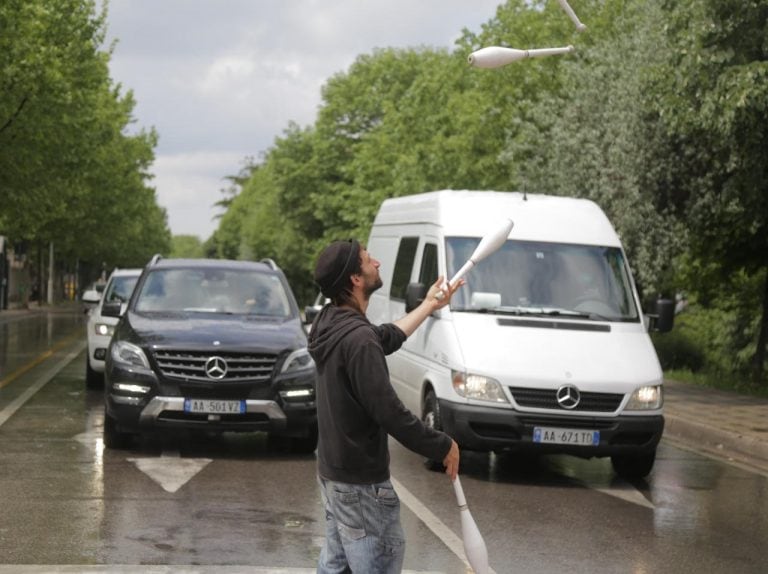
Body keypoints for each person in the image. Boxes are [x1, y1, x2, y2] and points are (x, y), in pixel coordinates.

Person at [308, 239, 462, 574]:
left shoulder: (330, 323)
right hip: (362, 486)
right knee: (378, 562)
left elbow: (385, 337)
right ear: (355, 279)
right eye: (367, 260)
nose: (376, 262)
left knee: (336, 566)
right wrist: (442, 445)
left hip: (334, 473)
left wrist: (428, 305)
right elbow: (390, 412)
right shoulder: (357, 339)